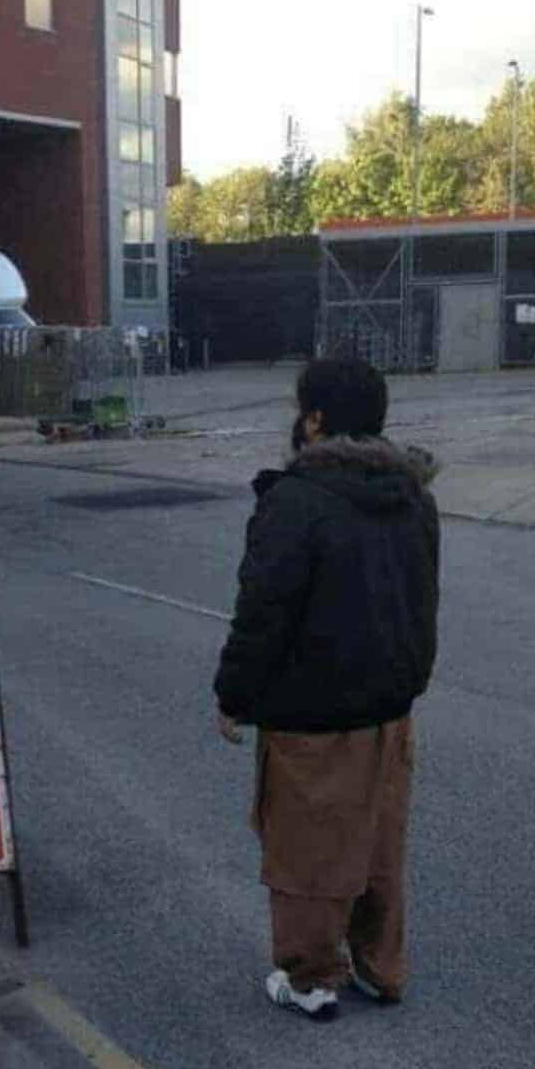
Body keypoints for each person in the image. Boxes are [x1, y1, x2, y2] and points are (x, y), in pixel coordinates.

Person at [214, 358, 440, 1023]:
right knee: (379, 842)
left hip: (312, 712)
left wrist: (233, 695)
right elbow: (425, 599)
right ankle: (381, 967)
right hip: (391, 707)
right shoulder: (412, 494)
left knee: (307, 849)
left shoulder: (297, 501)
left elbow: (263, 613)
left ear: (314, 420)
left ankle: (311, 977)